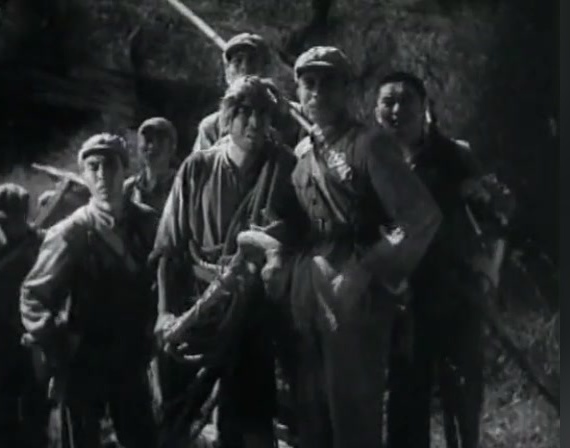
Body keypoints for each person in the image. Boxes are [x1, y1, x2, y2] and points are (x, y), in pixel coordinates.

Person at [265, 47, 442, 448]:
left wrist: (365, 270)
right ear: (298, 91)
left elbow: (420, 218)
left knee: (353, 414)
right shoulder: (303, 151)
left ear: (347, 90)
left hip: (356, 296)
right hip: (311, 290)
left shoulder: (370, 144)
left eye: (329, 83)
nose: (317, 92)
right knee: (313, 413)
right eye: (309, 83)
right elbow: (296, 223)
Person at [151, 76, 305, 448]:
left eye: (263, 114)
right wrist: (165, 313)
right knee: (175, 417)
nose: (254, 122)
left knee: (249, 424)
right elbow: (170, 249)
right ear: (227, 116)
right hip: (198, 308)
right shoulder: (198, 168)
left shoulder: (286, 168)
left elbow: (298, 239)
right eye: (244, 113)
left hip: (254, 313)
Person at [375, 71, 515, 448]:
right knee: (405, 402)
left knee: (462, 402)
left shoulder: (455, 156)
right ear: (375, 111)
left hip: (456, 299)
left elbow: (496, 218)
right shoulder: (372, 163)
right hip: (402, 305)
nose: (396, 110)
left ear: (425, 107)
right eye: (388, 102)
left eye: (406, 100)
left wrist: (488, 273)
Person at [20, 133, 160, 448]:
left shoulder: (147, 223)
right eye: (93, 167)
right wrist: (56, 344)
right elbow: (33, 296)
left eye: (110, 165)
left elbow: (165, 275)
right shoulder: (71, 233)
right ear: (83, 175)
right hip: (85, 361)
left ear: (125, 169)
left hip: (132, 357)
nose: (102, 175)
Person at [0, 182, 50, 448]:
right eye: (4, 221)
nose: (11, 227)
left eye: (16, 220)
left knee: (36, 426)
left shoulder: (42, 244)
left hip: (31, 348)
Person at [192, 33, 298, 152]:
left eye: (252, 60)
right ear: (227, 73)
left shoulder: (292, 115)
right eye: (237, 61)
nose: (245, 67)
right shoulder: (212, 126)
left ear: (266, 69)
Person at [124, 116, 179, 211]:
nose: (152, 146)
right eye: (148, 139)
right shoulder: (129, 188)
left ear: (172, 147)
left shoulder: (182, 186)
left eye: (160, 140)